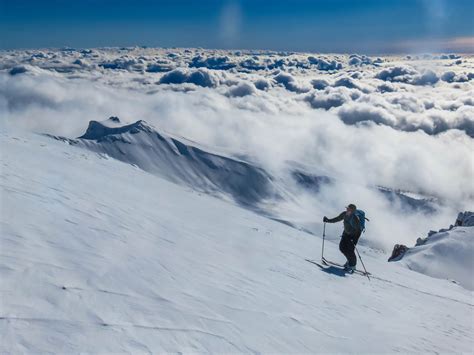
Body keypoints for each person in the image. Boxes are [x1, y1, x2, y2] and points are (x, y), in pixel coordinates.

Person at [323, 204, 361, 273]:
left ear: (352, 211)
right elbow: (337, 219)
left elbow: (357, 230)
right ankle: (349, 261)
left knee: (350, 250)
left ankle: (352, 265)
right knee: (342, 248)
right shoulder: (344, 214)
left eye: (349, 209)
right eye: (347, 208)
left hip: (354, 235)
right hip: (346, 233)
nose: (347, 210)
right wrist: (328, 220)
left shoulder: (355, 218)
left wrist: (352, 238)